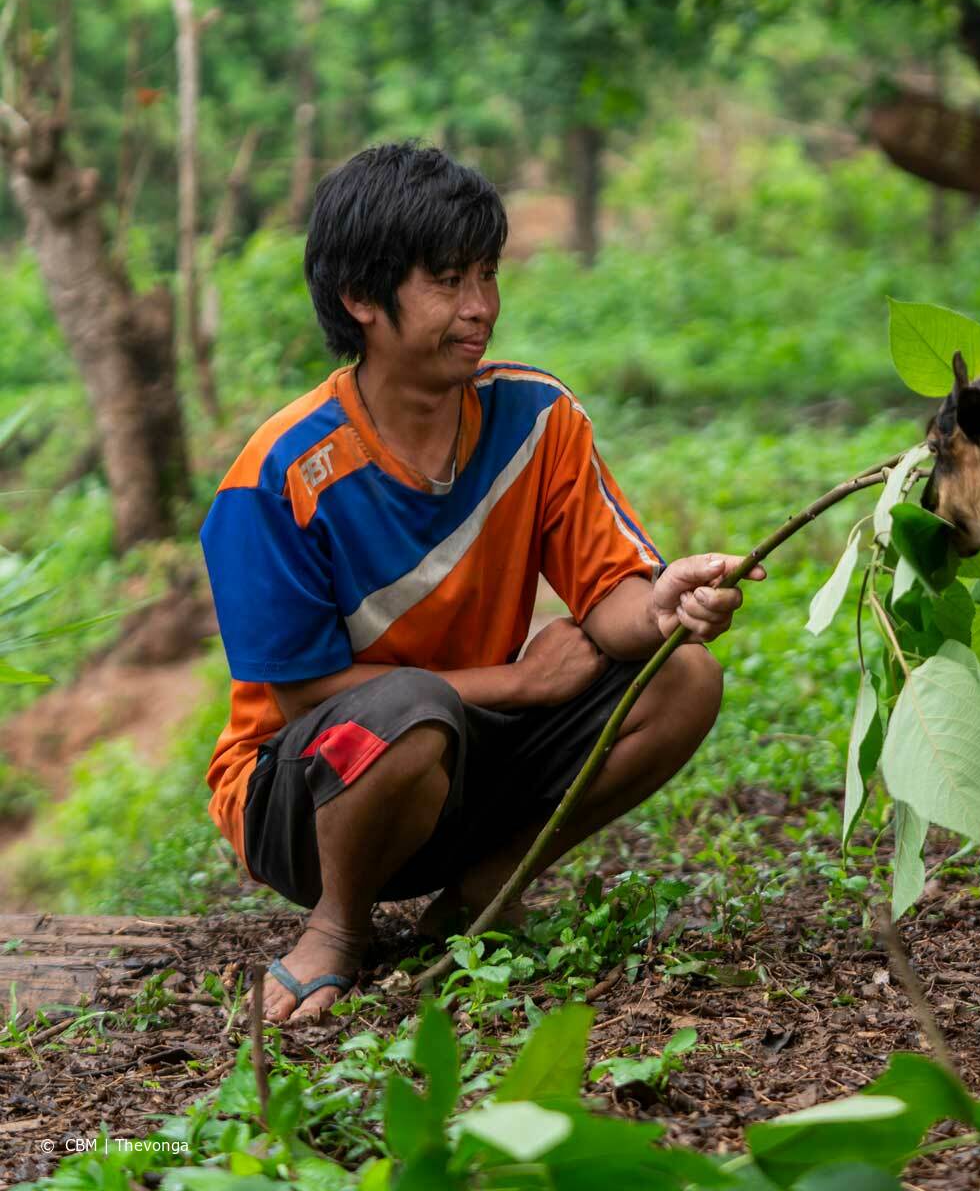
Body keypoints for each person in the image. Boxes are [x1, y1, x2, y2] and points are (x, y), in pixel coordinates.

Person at [199, 142, 761, 1022]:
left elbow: (608, 598)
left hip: (460, 752)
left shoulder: (535, 418)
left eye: (488, 275)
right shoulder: (276, 477)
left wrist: (659, 605)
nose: (481, 308)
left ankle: (486, 890)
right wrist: (517, 684)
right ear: (361, 298)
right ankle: (338, 929)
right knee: (409, 715)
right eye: (448, 280)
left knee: (683, 676)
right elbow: (306, 695)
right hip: (305, 795)